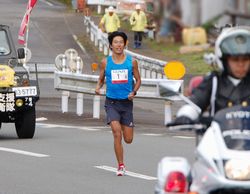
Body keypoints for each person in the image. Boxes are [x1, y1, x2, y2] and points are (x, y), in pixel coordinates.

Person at [167, 26, 250, 126]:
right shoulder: (214, 81)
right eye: (235, 60)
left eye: (245, 59)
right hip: (217, 137)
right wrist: (185, 115)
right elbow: (196, 101)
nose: (240, 64)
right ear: (224, 60)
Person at [95, 31, 141, 176]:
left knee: (128, 139)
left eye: (121, 42)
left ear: (125, 44)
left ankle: (122, 123)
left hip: (126, 103)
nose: (118, 44)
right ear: (110, 45)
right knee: (116, 133)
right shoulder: (105, 62)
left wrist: (134, 92)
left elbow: (138, 80)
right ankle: (121, 166)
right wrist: (98, 87)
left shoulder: (131, 62)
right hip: (112, 102)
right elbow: (101, 79)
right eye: (115, 42)